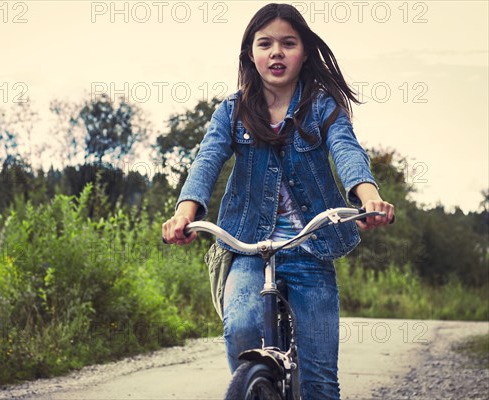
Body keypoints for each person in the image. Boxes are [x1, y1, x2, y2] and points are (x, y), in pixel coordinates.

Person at [161, 3, 394, 399]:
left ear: (304, 53)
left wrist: (368, 197)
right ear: (250, 54)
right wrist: (185, 212)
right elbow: (207, 159)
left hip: (311, 250)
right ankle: (258, 387)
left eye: (288, 43)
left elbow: (347, 151)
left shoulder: (323, 107)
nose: (276, 52)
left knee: (320, 382)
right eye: (265, 43)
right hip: (249, 247)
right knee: (242, 327)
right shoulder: (232, 112)